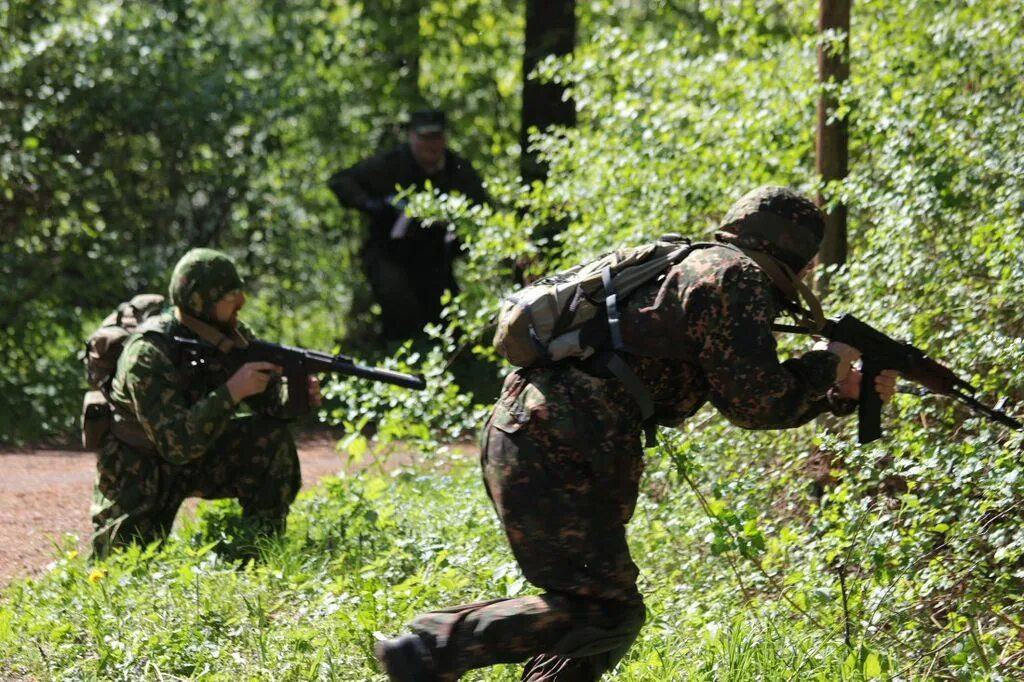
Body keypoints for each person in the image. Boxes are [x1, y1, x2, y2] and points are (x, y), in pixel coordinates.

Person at [373, 186, 899, 681]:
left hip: (537, 431)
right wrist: (828, 366)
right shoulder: (733, 278)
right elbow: (757, 405)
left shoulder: (689, 263)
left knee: (589, 607)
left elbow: (738, 385)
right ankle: (430, 646)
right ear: (802, 257)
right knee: (606, 612)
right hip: (562, 441)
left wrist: (837, 394)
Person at [91, 248, 322, 558]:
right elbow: (176, 445)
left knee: (270, 438)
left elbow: (272, 408)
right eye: (230, 296)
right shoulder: (147, 354)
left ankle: (258, 552)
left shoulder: (233, 336)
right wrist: (232, 392)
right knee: (119, 570)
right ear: (201, 301)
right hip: (140, 468)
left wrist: (298, 395)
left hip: (198, 455)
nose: (241, 302)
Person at [327, 109, 489, 342]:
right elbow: (341, 182)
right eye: (424, 138)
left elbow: (481, 211)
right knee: (399, 308)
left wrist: (457, 230)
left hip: (436, 259)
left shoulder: (458, 170)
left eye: (436, 137)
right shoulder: (391, 164)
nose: (431, 145)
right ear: (412, 136)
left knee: (448, 320)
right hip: (389, 253)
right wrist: (374, 205)